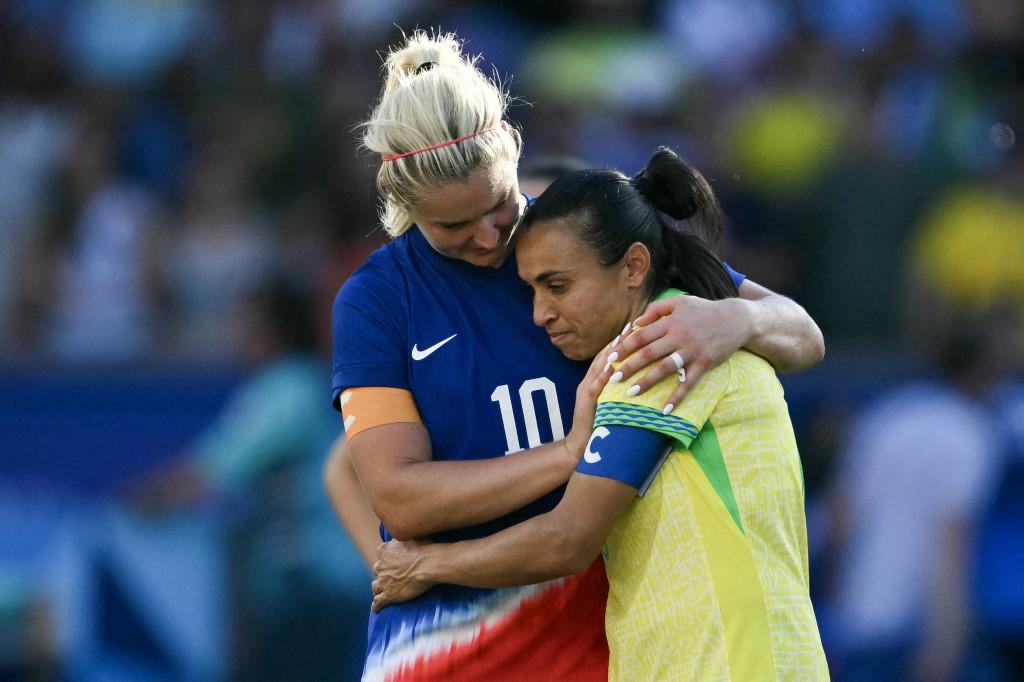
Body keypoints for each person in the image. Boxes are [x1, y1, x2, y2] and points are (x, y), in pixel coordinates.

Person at [328, 31, 825, 681]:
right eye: (453, 227)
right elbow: (401, 500)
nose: (487, 238)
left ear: (513, 153)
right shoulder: (376, 300)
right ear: (405, 205)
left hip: (595, 645)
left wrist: (739, 316)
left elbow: (804, 335)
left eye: (498, 206)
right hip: (441, 658)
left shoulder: (583, 242)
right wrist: (566, 454)